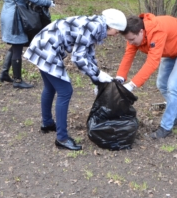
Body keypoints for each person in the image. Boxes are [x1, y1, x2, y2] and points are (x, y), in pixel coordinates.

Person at [23, 9, 126, 150]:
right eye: (118, 31)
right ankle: (62, 138)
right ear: (112, 25)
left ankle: (47, 123)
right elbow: (78, 58)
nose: (117, 34)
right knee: (65, 91)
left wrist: (97, 79)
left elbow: (88, 54)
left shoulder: (96, 25)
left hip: (43, 43)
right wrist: (97, 74)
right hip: (47, 47)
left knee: (50, 87)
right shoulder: (94, 26)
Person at [115, 14, 177, 140]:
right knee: (162, 84)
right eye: (128, 40)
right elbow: (128, 55)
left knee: (173, 86)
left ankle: (166, 127)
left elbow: (152, 62)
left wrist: (132, 85)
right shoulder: (133, 35)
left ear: (141, 31)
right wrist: (120, 79)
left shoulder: (157, 32)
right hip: (170, 48)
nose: (130, 43)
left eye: (132, 39)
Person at [0, 0, 54, 89]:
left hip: (6, 12)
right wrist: (48, 3)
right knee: (17, 45)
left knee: (14, 43)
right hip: (16, 16)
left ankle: (4, 73)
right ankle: (17, 81)